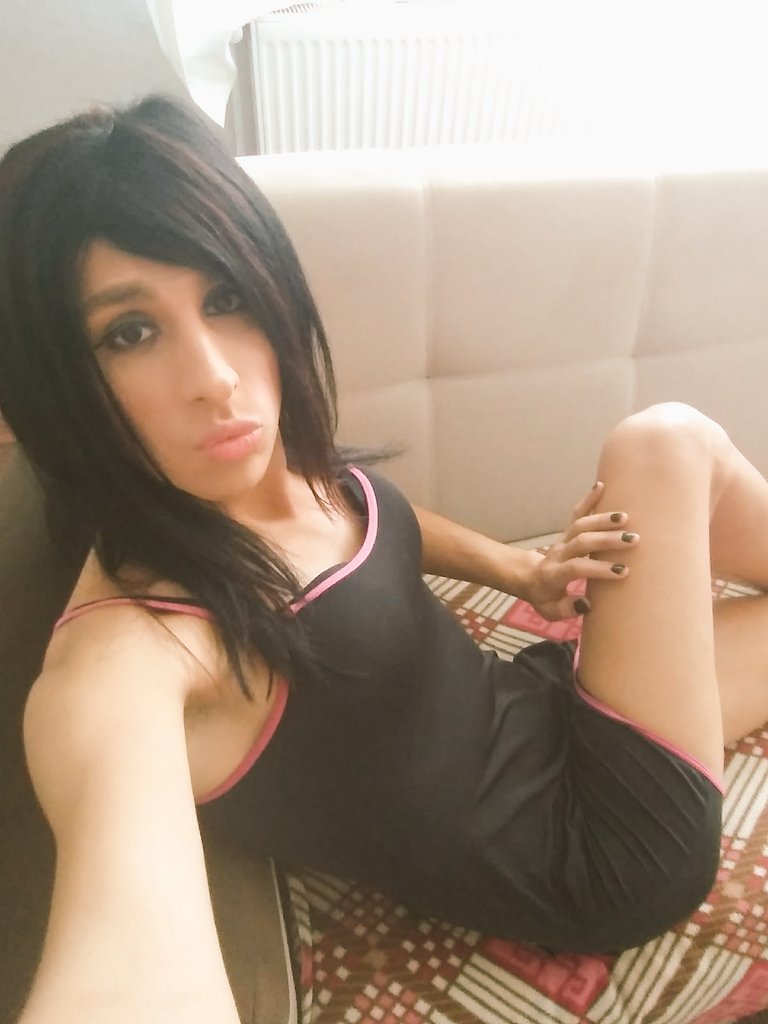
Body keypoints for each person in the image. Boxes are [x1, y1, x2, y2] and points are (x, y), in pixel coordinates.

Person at [1, 93, 767, 1024]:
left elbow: (370, 519)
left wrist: (520, 572)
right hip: (594, 851)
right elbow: (128, 972)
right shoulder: (132, 656)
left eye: (226, 297)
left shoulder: (261, 466)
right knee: (665, 443)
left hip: (547, 702)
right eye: (129, 333)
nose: (215, 377)